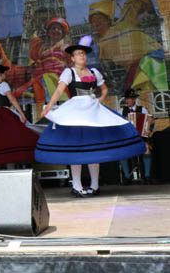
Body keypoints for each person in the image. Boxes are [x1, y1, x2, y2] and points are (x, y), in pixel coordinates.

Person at [36, 38, 146, 197]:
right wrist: (48, 106)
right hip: (76, 112)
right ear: (72, 58)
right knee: (77, 150)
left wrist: (99, 101)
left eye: (83, 54)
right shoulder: (69, 72)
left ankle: (94, 185)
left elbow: (104, 88)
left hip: (92, 111)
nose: (82, 56)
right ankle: (78, 186)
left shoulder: (94, 72)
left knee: (94, 148)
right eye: (78, 54)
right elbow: (59, 90)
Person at [14, 18, 71, 103]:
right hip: (38, 80)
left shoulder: (67, 48)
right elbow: (34, 46)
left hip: (55, 80)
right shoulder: (42, 47)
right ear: (48, 33)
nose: (56, 30)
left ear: (63, 33)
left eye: (59, 29)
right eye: (53, 28)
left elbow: (73, 65)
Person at [118, 88, 155, 185]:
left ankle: (147, 176)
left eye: (129, 98)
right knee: (122, 152)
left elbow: (151, 123)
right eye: (126, 98)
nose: (127, 101)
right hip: (126, 139)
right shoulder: (121, 111)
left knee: (147, 148)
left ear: (134, 99)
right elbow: (117, 124)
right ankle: (127, 177)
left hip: (140, 138)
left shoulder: (143, 109)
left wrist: (149, 127)